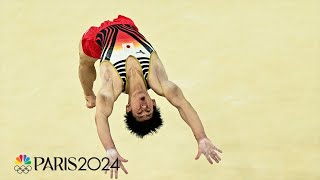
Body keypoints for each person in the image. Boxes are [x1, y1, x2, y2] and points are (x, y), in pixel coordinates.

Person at [78, 15, 222, 179]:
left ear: (128, 108)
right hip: (127, 25)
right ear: (153, 102)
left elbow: (101, 116)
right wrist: (201, 137)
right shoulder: (159, 81)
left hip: (98, 39)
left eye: (139, 113)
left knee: (85, 62)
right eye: (149, 111)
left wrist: (110, 149)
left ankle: (88, 95)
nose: (144, 108)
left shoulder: (112, 87)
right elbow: (182, 104)